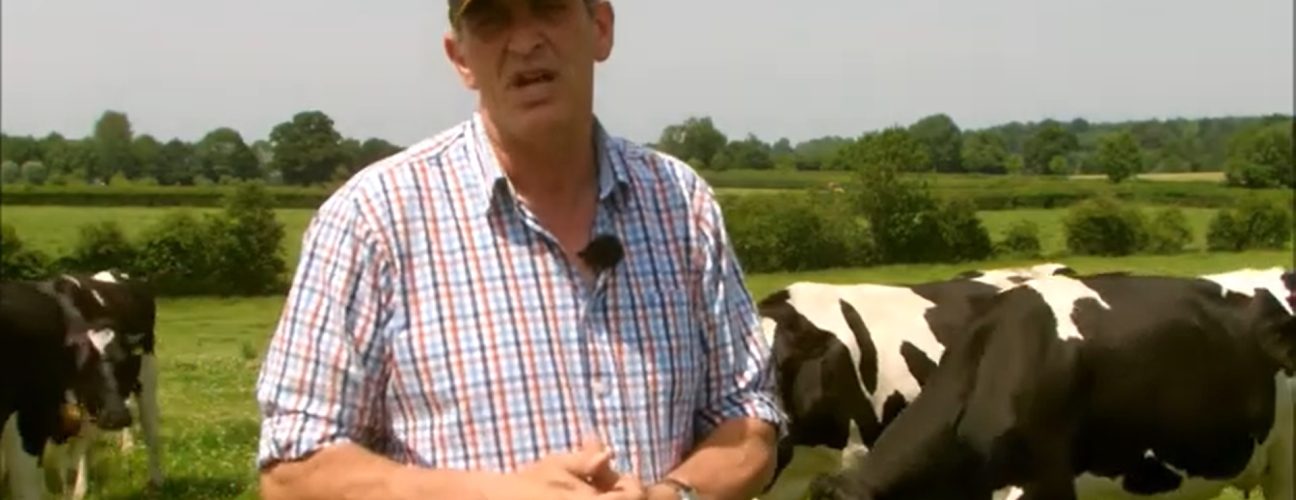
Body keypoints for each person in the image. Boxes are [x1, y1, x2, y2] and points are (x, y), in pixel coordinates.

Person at [253, 0, 785, 498]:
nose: (525, 41)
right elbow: (293, 466)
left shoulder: (680, 202)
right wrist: (492, 493)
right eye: (491, 19)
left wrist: (671, 493)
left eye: (548, 7)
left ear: (601, 26)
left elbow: (747, 415)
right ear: (460, 58)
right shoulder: (373, 219)